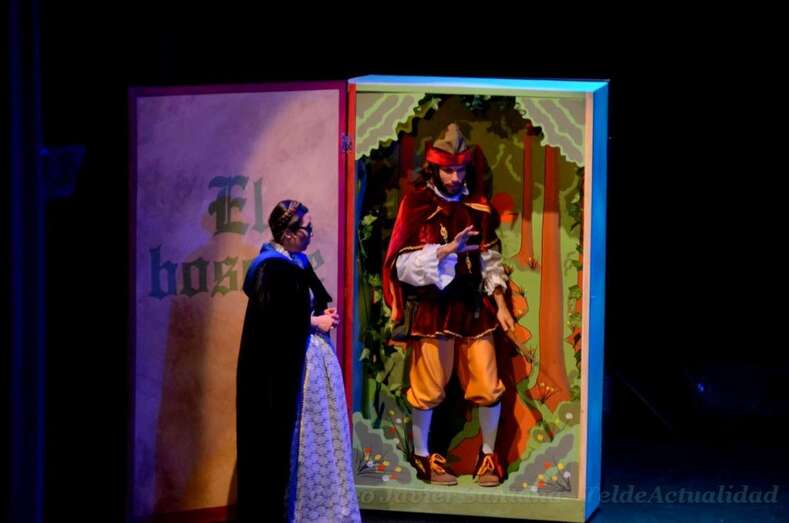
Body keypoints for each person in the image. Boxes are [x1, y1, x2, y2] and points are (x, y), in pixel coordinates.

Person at [383, 124, 515, 487]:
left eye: (460, 170)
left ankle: (488, 456)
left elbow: (488, 257)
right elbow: (400, 265)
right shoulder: (419, 204)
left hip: (473, 309)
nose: (455, 177)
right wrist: (444, 251)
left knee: (487, 382)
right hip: (434, 310)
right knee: (428, 387)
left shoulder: (477, 207)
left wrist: (501, 304)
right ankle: (423, 455)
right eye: (448, 170)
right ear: (434, 169)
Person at [237, 199, 360, 521]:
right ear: (288, 233)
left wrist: (321, 312)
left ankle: (326, 510)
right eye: (306, 229)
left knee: (320, 437)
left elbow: (305, 303)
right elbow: (274, 321)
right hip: (291, 369)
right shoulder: (269, 269)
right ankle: (299, 511)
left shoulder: (298, 262)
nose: (311, 234)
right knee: (301, 437)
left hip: (312, 363)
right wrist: (314, 322)